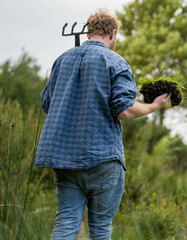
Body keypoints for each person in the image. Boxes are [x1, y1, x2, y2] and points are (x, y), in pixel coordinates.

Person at [34, 10, 170, 240]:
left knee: (66, 222)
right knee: (100, 230)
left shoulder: (62, 59)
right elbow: (124, 109)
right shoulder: (115, 61)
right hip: (103, 158)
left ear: (88, 34)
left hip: (65, 159)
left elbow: (47, 102)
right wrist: (153, 107)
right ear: (113, 33)